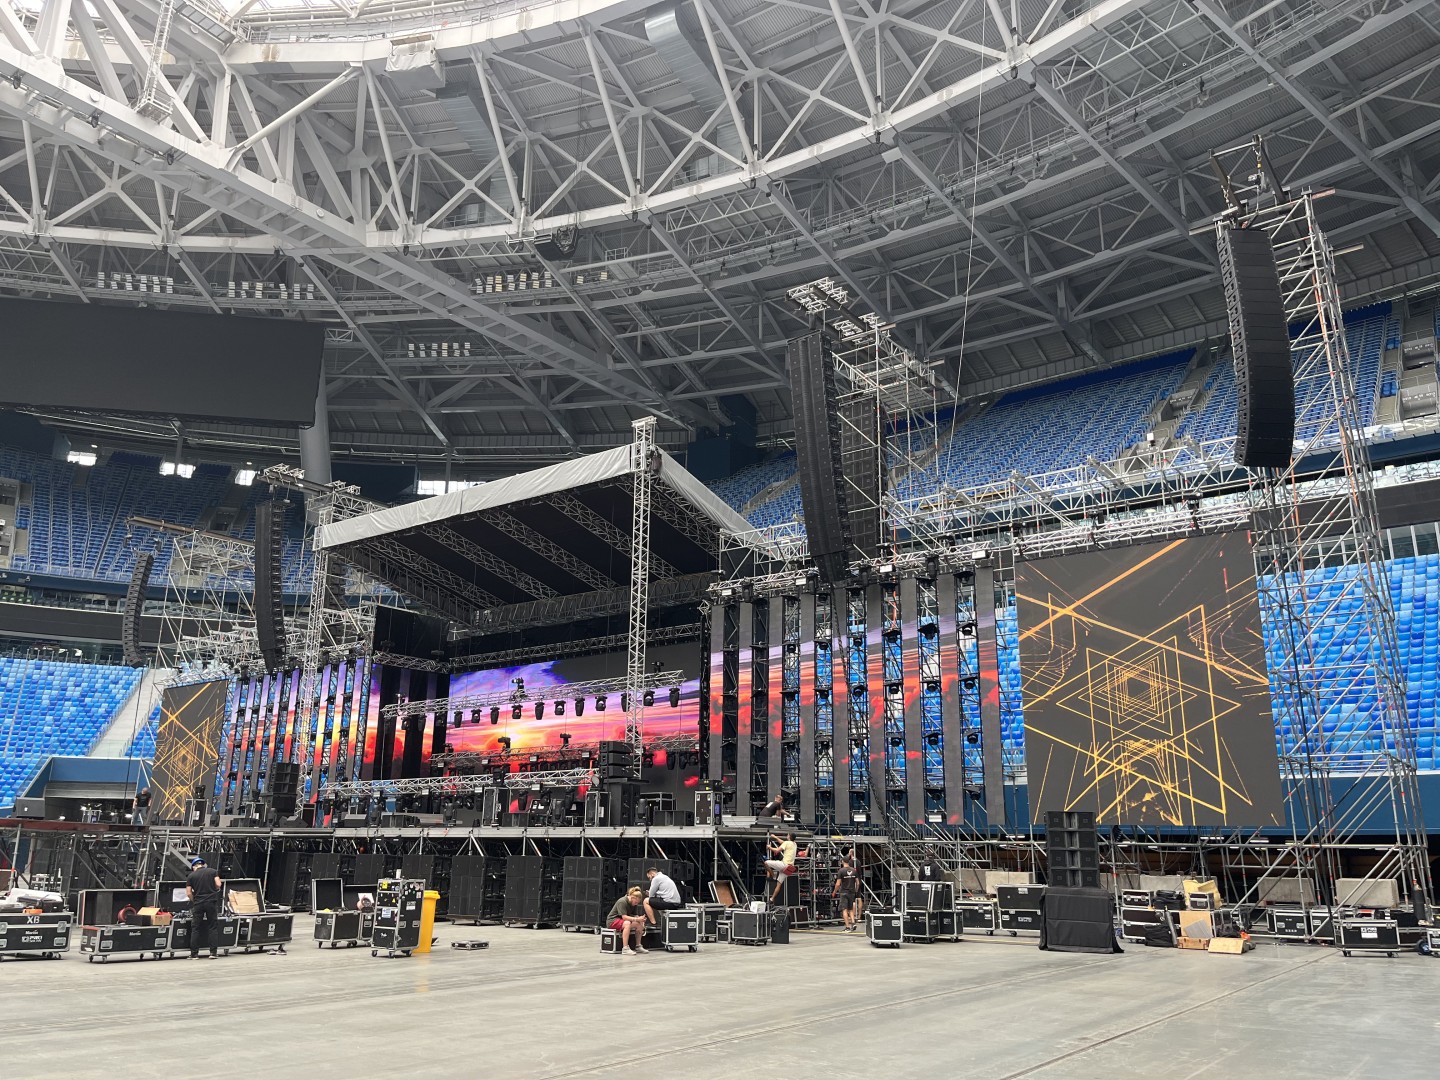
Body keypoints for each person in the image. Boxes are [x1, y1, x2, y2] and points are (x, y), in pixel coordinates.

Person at [185, 856, 224, 959]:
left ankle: (194, 954)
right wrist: (214, 890)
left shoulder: (191, 876)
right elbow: (218, 884)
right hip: (211, 902)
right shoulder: (213, 871)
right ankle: (213, 953)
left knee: (196, 928)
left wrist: (194, 900)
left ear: (194, 866)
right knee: (212, 927)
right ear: (203, 864)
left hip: (198, 903)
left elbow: (188, 893)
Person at [607, 886, 649, 955]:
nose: (636, 904)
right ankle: (625, 948)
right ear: (632, 897)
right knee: (627, 923)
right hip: (612, 921)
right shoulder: (622, 902)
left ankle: (638, 946)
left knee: (639, 924)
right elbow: (624, 917)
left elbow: (634, 915)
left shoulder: (634, 904)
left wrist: (640, 919)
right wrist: (636, 919)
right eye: (635, 902)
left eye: (637, 902)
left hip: (622, 921)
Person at [764, 831, 798, 904]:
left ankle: (773, 875)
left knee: (766, 863)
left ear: (789, 836)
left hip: (784, 865)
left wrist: (769, 847)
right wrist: (775, 837)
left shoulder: (787, 843)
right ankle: (772, 899)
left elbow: (777, 850)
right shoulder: (794, 844)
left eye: (788, 834)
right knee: (779, 884)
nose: (787, 835)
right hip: (789, 868)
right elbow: (782, 842)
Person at [833, 857, 861, 933]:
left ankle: (847, 927)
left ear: (842, 861)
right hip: (852, 892)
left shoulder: (841, 871)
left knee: (844, 909)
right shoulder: (854, 870)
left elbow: (838, 884)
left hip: (844, 892)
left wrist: (834, 891)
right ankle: (853, 923)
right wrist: (856, 890)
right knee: (850, 909)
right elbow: (858, 883)